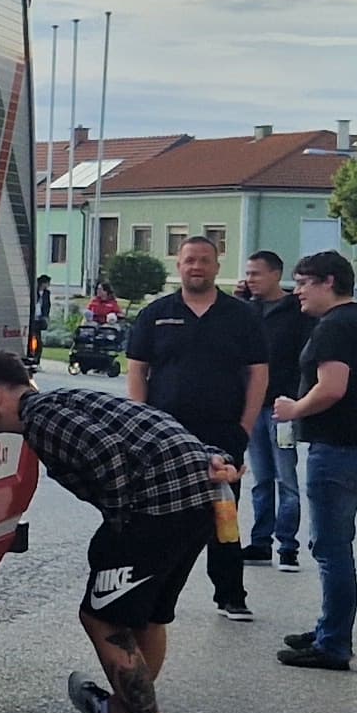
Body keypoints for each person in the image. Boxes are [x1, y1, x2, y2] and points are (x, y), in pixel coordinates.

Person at [0, 353, 234, 713]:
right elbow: (149, 425)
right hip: (196, 499)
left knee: (102, 619)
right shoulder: (64, 401)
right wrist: (212, 457)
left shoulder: (42, 421)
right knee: (149, 618)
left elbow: (107, 455)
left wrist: (119, 525)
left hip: (156, 510)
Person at [126, 237, 268, 623]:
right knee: (159, 514)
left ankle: (231, 594)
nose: (197, 267)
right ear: (179, 265)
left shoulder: (240, 316)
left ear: (217, 266)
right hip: (164, 433)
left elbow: (258, 373)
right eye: (190, 260)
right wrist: (141, 423)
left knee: (223, 515)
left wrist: (245, 427)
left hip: (223, 431)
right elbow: (137, 370)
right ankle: (149, 591)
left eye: (205, 260)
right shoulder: (156, 314)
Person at [268, 251, 357, 670]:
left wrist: (294, 409)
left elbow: (333, 387)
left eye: (304, 282)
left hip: (338, 450)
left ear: (329, 282)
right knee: (334, 545)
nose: (297, 291)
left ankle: (334, 644)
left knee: (331, 549)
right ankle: (329, 626)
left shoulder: (335, 326)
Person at [241, 251, 311, 573]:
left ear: (275, 274)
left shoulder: (297, 311)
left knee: (286, 479)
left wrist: (298, 401)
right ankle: (260, 543)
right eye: (248, 274)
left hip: (283, 407)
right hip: (253, 406)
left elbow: (307, 358)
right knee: (261, 479)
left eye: (256, 273)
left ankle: (288, 546)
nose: (250, 279)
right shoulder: (247, 310)